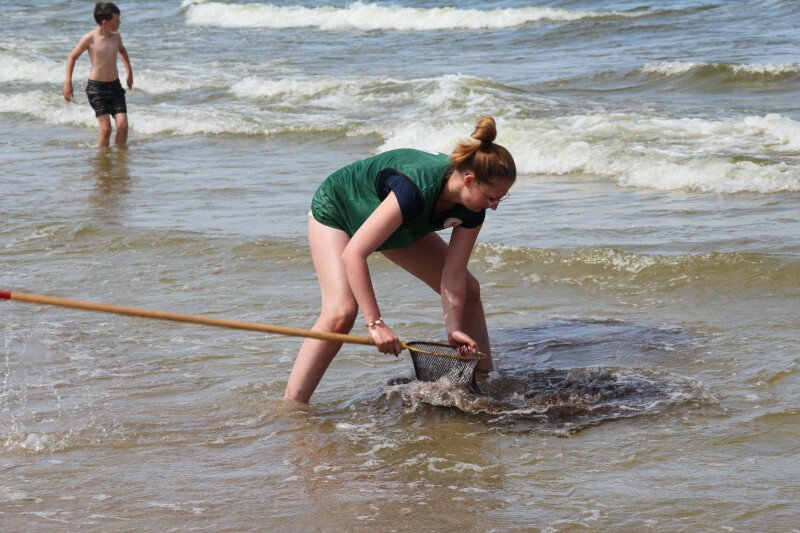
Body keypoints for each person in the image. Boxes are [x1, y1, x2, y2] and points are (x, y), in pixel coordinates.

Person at [285, 116, 516, 403]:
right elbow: (354, 253)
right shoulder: (414, 190)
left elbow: (453, 274)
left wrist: (453, 327)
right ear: (469, 181)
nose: (494, 207)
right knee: (341, 312)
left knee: (469, 290)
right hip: (340, 211)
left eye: (500, 199)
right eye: (492, 198)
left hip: (399, 222)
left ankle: (481, 386)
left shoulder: (473, 208)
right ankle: (292, 405)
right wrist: (376, 323)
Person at [63, 2, 133, 148]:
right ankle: (103, 161)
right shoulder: (90, 39)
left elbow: (122, 51)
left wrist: (129, 72)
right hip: (97, 89)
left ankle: (120, 158)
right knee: (106, 128)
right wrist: (68, 83)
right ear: (105, 22)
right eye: (116, 20)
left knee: (123, 125)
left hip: (115, 87)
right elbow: (72, 57)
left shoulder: (116, 37)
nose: (119, 23)